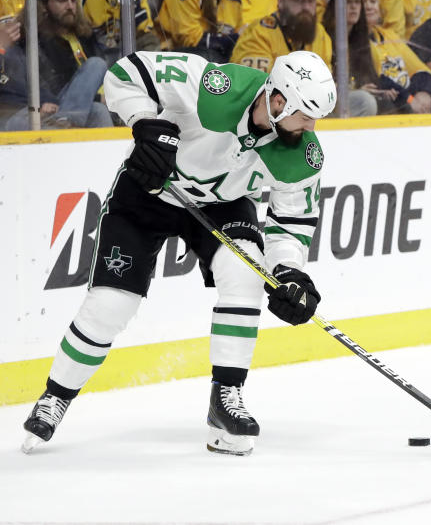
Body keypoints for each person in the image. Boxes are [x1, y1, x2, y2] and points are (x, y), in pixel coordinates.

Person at [21, 50, 336, 456]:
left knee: (246, 277)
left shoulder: (303, 154)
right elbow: (124, 73)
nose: (311, 127)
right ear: (279, 100)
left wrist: (291, 273)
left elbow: (291, 225)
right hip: (149, 192)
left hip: (224, 206)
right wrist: (144, 123)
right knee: (109, 306)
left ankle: (226, 400)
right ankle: (55, 397)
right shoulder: (212, 86)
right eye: (305, 115)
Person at [0, 0, 113, 130]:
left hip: (62, 109)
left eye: (73, 0)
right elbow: (35, 88)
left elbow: (78, 88)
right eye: (62, 0)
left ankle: (66, 123)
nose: (70, 6)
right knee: (96, 67)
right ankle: (64, 122)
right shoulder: (32, 39)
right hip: (26, 112)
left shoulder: (85, 36)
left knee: (99, 109)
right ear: (44, 5)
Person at [353, 0, 431, 114]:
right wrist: (409, 99)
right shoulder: (354, 41)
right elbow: (378, 80)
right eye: (363, 2)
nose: (369, 6)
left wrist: (425, 93)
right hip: (391, 100)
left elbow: (421, 70)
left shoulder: (389, 35)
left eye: (373, 1)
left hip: (409, 97)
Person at [230, 0, 333, 71]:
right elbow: (256, 82)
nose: (306, 7)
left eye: (311, 0)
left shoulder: (320, 35)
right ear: (280, 2)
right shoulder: (259, 33)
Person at [77, 0, 163, 65]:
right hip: (96, 51)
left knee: (150, 40)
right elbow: (79, 30)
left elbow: (144, 31)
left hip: (126, 51)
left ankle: (140, 77)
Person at [158, 0, 243, 62]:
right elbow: (188, 40)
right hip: (176, 58)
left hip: (218, 58)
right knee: (211, 56)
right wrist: (233, 40)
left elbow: (239, 34)